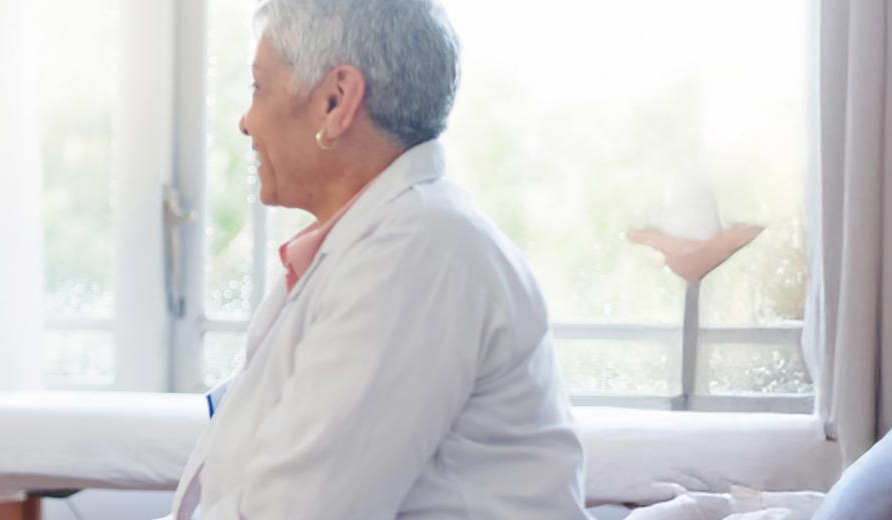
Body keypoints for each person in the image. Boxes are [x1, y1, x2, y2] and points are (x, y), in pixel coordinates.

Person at [169, 1, 588, 517]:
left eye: (259, 88)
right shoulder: (384, 241)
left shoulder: (417, 252)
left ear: (336, 101)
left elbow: (303, 510)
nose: (245, 121)